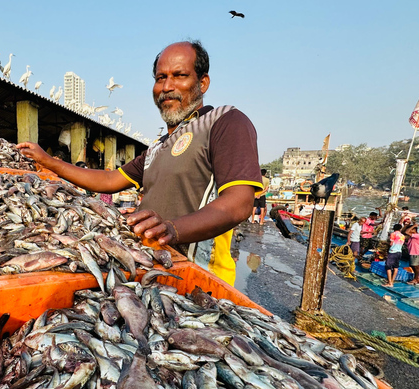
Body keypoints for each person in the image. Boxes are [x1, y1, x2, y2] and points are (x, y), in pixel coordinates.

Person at [17, 40, 262, 283]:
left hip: (197, 277)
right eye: (160, 78)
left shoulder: (225, 122)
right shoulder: (158, 147)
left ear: (203, 82)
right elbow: (109, 179)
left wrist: (173, 229)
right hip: (150, 268)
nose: (167, 86)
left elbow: (239, 203)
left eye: (179, 75)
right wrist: (48, 161)